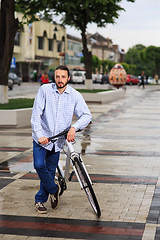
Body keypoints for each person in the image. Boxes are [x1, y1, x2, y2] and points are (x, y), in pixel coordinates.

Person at [31, 65, 92, 214]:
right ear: (54, 78)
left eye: (63, 77)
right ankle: (54, 189)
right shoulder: (44, 90)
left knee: (50, 170)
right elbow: (35, 116)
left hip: (57, 141)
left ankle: (40, 200)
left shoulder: (75, 95)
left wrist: (74, 128)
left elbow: (86, 115)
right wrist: (40, 135)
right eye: (57, 77)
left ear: (68, 78)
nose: (60, 80)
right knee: (39, 165)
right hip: (42, 137)